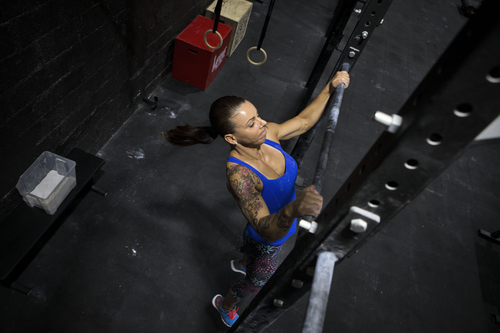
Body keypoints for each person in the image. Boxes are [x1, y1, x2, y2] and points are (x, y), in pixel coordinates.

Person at [162, 71, 350, 327]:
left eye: (258, 116)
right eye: (251, 123)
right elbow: (266, 229)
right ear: (231, 138)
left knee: (249, 249)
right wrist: (294, 208)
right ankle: (225, 305)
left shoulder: (268, 134)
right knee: (256, 282)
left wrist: (330, 86)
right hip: (267, 239)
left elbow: (304, 122)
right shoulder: (239, 175)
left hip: (276, 223)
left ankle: (243, 261)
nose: (262, 123)